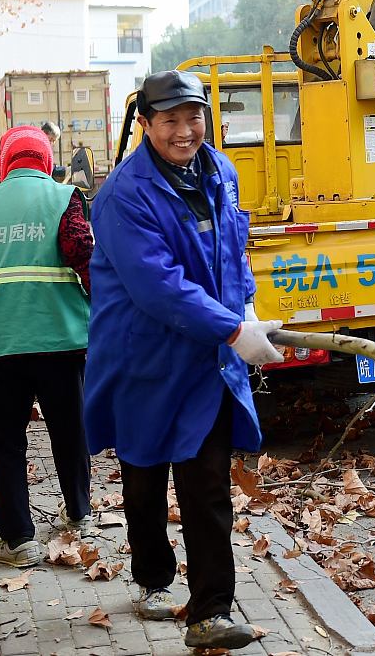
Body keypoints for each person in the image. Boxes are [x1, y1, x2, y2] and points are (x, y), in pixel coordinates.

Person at [84, 69, 281, 651]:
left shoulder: (221, 171)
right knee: (144, 477)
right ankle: (151, 575)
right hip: (144, 359)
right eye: (169, 120)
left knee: (206, 485)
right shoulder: (123, 195)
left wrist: (245, 303)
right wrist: (232, 328)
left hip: (205, 359)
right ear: (145, 125)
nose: (184, 130)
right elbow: (158, 287)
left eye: (193, 116)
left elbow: (232, 250)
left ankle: (210, 611)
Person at [0, 125, 94, 567]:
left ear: (4, 162)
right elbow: (84, 257)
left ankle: (18, 539)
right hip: (62, 338)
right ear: (45, 160)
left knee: (5, 440)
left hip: (1, 341)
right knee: (69, 429)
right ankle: (79, 513)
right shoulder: (65, 199)